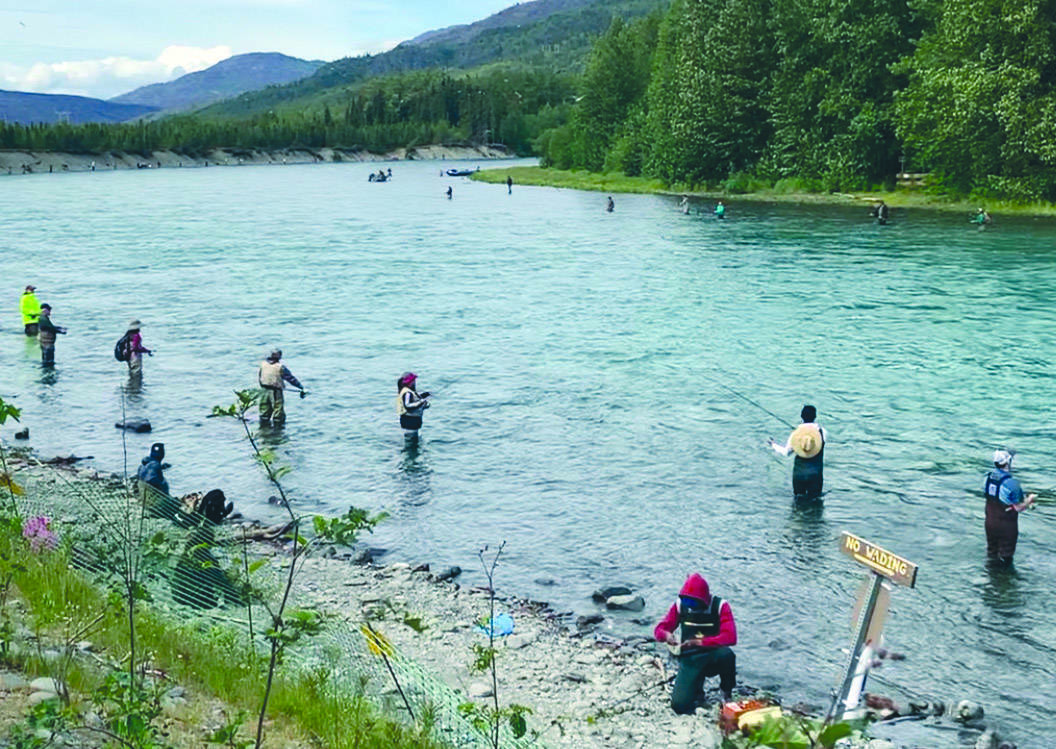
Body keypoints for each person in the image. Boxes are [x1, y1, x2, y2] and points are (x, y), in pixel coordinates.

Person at [654, 572, 737, 714]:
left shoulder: (720, 606)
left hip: (713, 655)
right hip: (690, 659)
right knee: (679, 706)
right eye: (687, 602)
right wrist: (667, 635)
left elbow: (730, 637)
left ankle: (726, 692)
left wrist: (699, 642)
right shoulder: (680, 606)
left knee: (728, 655)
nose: (691, 606)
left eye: (694, 603)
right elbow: (659, 630)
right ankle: (697, 690)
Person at [983, 449, 1036, 566]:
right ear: (1007, 463)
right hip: (1006, 525)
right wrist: (1029, 500)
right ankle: (1005, 581)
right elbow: (1018, 508)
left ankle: (991, 577)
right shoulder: (1012, 483)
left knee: (992, 552)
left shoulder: (987, 478)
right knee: (1006, 557)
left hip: (990, 522)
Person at [768, 405, 826, 502]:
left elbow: (786, 452)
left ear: (801, 417)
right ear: (815, 416)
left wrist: (774, 445)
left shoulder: (795, 434)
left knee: (798, 502)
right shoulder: (822, 432)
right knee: (816, 503)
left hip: (799, 475)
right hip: (815, 474)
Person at [257, 349, 304, 425]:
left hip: (264, 390)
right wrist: (301, 387)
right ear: (279, 357)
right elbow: (291, 379)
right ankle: (278, 429)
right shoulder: (280, 367)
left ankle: (264, 428)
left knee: (264, 411)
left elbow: (259, 377)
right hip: (276, 391)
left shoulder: (263, 364)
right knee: (278, 412)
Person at [396, 372, 430, 439]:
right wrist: (420, 402)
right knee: (410, 440)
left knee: (412, 439)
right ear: (410, 382)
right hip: (410, 421)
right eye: (414, 381)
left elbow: (413, 401)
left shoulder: (408, 391)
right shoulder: (407, 393)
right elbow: (407, 405)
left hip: (411, 420)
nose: (415, 382)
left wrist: (422, 397)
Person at [36, 304, 66, 368]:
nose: (50, 312)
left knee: (46, 359)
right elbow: (50, 328)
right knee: (49, 361)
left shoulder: (43, 318)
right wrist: (60, 331)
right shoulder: (43, 319)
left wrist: (58, 328)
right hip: (47, 342)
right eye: (49, 310)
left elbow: (49, 327)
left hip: (45, 342)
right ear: (45, 310)